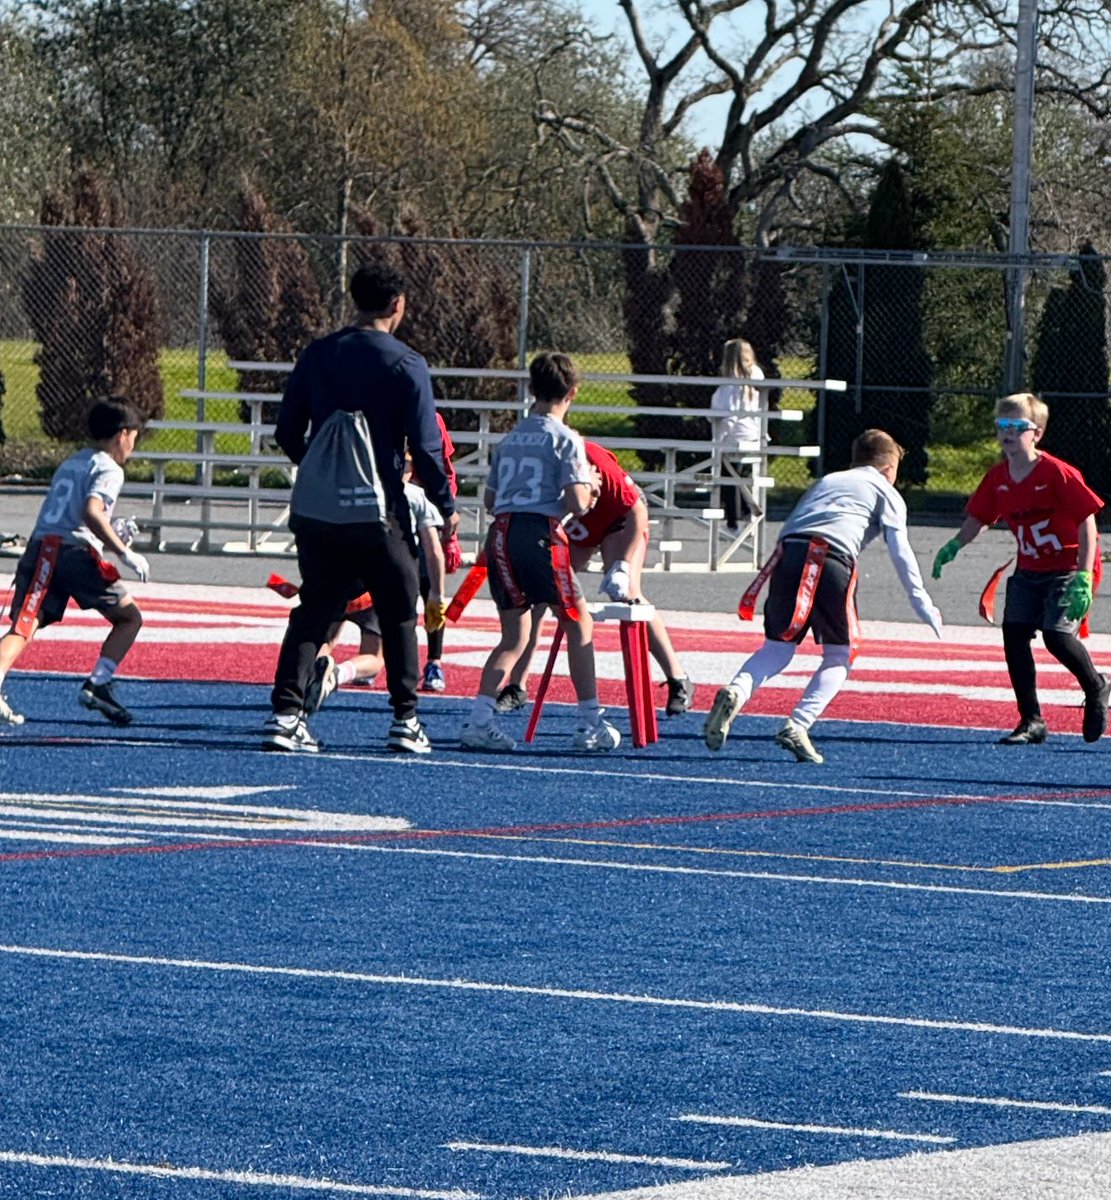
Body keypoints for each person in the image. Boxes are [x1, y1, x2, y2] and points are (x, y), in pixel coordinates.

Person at [263, 261, 457, 755]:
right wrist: (445, 504)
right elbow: (427, 446)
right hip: (379, 510)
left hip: (320, 511)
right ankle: (405, 719)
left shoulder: (318, 354)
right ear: (398, 304)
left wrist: (321, 470)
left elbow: (287, 430)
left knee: (314, 609)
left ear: (354, 299)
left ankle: (286, 715)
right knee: (399, 609)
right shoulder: (407, 363)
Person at [704, 428, 943, 763]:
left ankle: (737, 690)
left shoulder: (828, 481)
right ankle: (798, 724)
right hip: (829, 558)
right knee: (840, 655)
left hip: (787, 555)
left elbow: (795, 524)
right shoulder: (884, 491)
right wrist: (921, 601)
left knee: (777, 647)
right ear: (890, 468)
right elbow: (900, 550)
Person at [459, 352, 620, 753]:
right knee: (578, 623)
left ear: (532, 388)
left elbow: (491, 500)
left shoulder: (511, 438)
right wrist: (591, 485)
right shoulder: (566, 439)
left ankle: (479, 720)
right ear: (573, 393)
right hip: (540, 535)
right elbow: (578, 503)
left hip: (501, 534)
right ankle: (590, 722)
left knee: (514, 637)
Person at [932, 392, 1108, 745]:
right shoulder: (998, 477)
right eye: (1002, 425)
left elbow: (1086, 521)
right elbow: (980, 517)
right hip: (1029, 569)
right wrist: (954, 545)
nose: (1007, 433)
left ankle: (1096, 687)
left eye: (1016, 426)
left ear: (1036, 433)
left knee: (1057, 637)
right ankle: (1031, 719)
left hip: (1067, 568)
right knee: (1014, 636)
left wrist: (1084, 575)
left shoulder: (1056, 472)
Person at [494, 439, 695, 717]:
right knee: (539, 596)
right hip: (577, 522)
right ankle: (517, 684)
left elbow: (637, 511)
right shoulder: (544, 468)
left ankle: (677, 677)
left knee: (627, 593)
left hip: (618, 520)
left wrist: (623, 564)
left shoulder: (598, 464)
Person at [0, 398, 150, 727]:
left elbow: (73, 514)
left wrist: (110, 532)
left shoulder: (72, 462)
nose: (133, 447)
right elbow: (91, 512)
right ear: (122, 434)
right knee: (129, 618)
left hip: (41, 547)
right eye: (134, 437)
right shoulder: (109, 468)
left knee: (25, 626)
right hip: (69, 553)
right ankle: (99, 682)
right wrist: (123, 552)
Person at [307, 464, 448, 710]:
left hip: (345, 573)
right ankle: (338, 674)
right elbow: (434, 550)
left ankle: (305, 680)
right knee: (374, 656)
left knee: (326, 639)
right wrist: (437, 592)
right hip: (381, 578)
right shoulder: (415, 494)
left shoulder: (354, 487)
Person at [710, 338, 765, 534]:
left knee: (728, 478)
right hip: (753, 434)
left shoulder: (730, 384)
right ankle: (748, 512)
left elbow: (728, 414)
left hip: (734, 436)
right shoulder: (755, 378)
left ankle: (732, 521)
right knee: (742, 475)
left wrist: (718, 440)